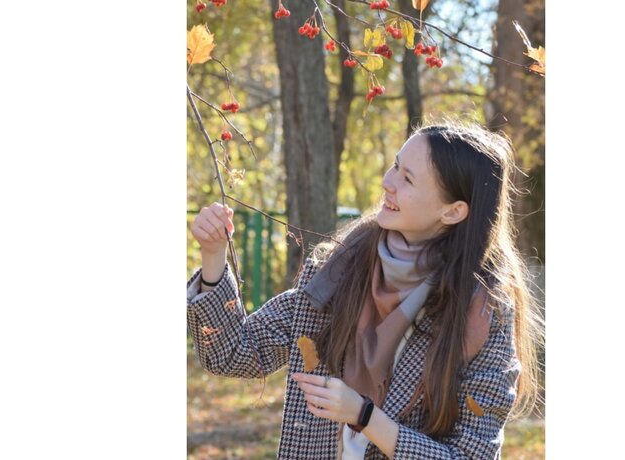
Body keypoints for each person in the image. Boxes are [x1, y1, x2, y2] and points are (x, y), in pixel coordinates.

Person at [187, 121, 544, 459]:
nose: (388, 182)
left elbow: (472, 454)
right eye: (395, 166)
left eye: (407, 178)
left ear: (452, 212)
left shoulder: (483, 315)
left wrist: (365, 416)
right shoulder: (336, 272)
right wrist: (214, 255)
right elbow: (234, 354)